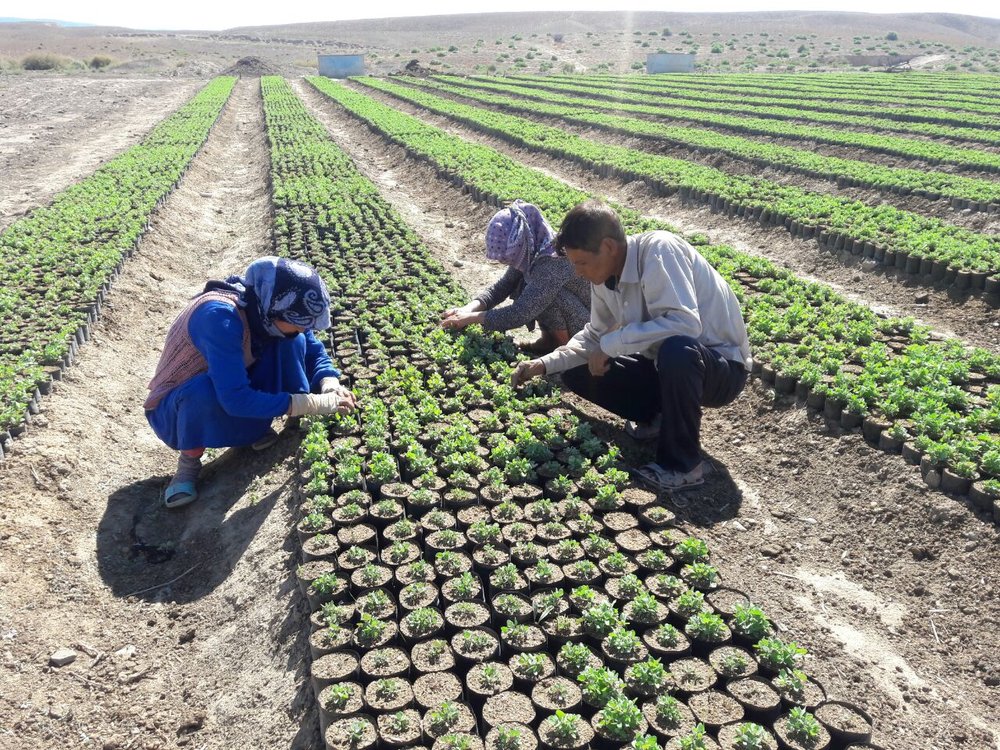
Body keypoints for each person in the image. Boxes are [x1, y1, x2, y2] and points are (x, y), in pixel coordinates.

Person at [512, 200, 751, 492]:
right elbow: (593, 335)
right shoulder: (603, 278)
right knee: (577, 370)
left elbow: (686, 324)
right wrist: (544, 364)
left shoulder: (660, 252)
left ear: (609, 247)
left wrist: (612, 343)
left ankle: (683, 466)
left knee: (677, 350)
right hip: (665, 366)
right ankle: (658, 418)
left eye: (582, 263)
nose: (577, 272)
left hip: (720, 368)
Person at [145, 256, 357, 508]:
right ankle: (188, 464)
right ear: (275, 308)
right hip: (177, 408)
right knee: (202, 392)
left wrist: (329, 383)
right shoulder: (219, 318)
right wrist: (313, 403)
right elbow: (235, 399)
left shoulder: (269, 309)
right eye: (298, 323)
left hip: (234, 387)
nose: (303, 328)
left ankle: (256, 428)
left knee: (292, 341)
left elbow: (312, 347)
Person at [441, 200, 590, 354]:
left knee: (542, 296)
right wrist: (466, 310)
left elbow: (520, 313)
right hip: (576, 311)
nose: (507, 262)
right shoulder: (533, 249)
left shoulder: (551, 263)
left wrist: (471, 318)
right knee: (527, 286)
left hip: (587, 326)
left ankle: (564, 350)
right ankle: (548, 341)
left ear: (520, 242)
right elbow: (504, 285)